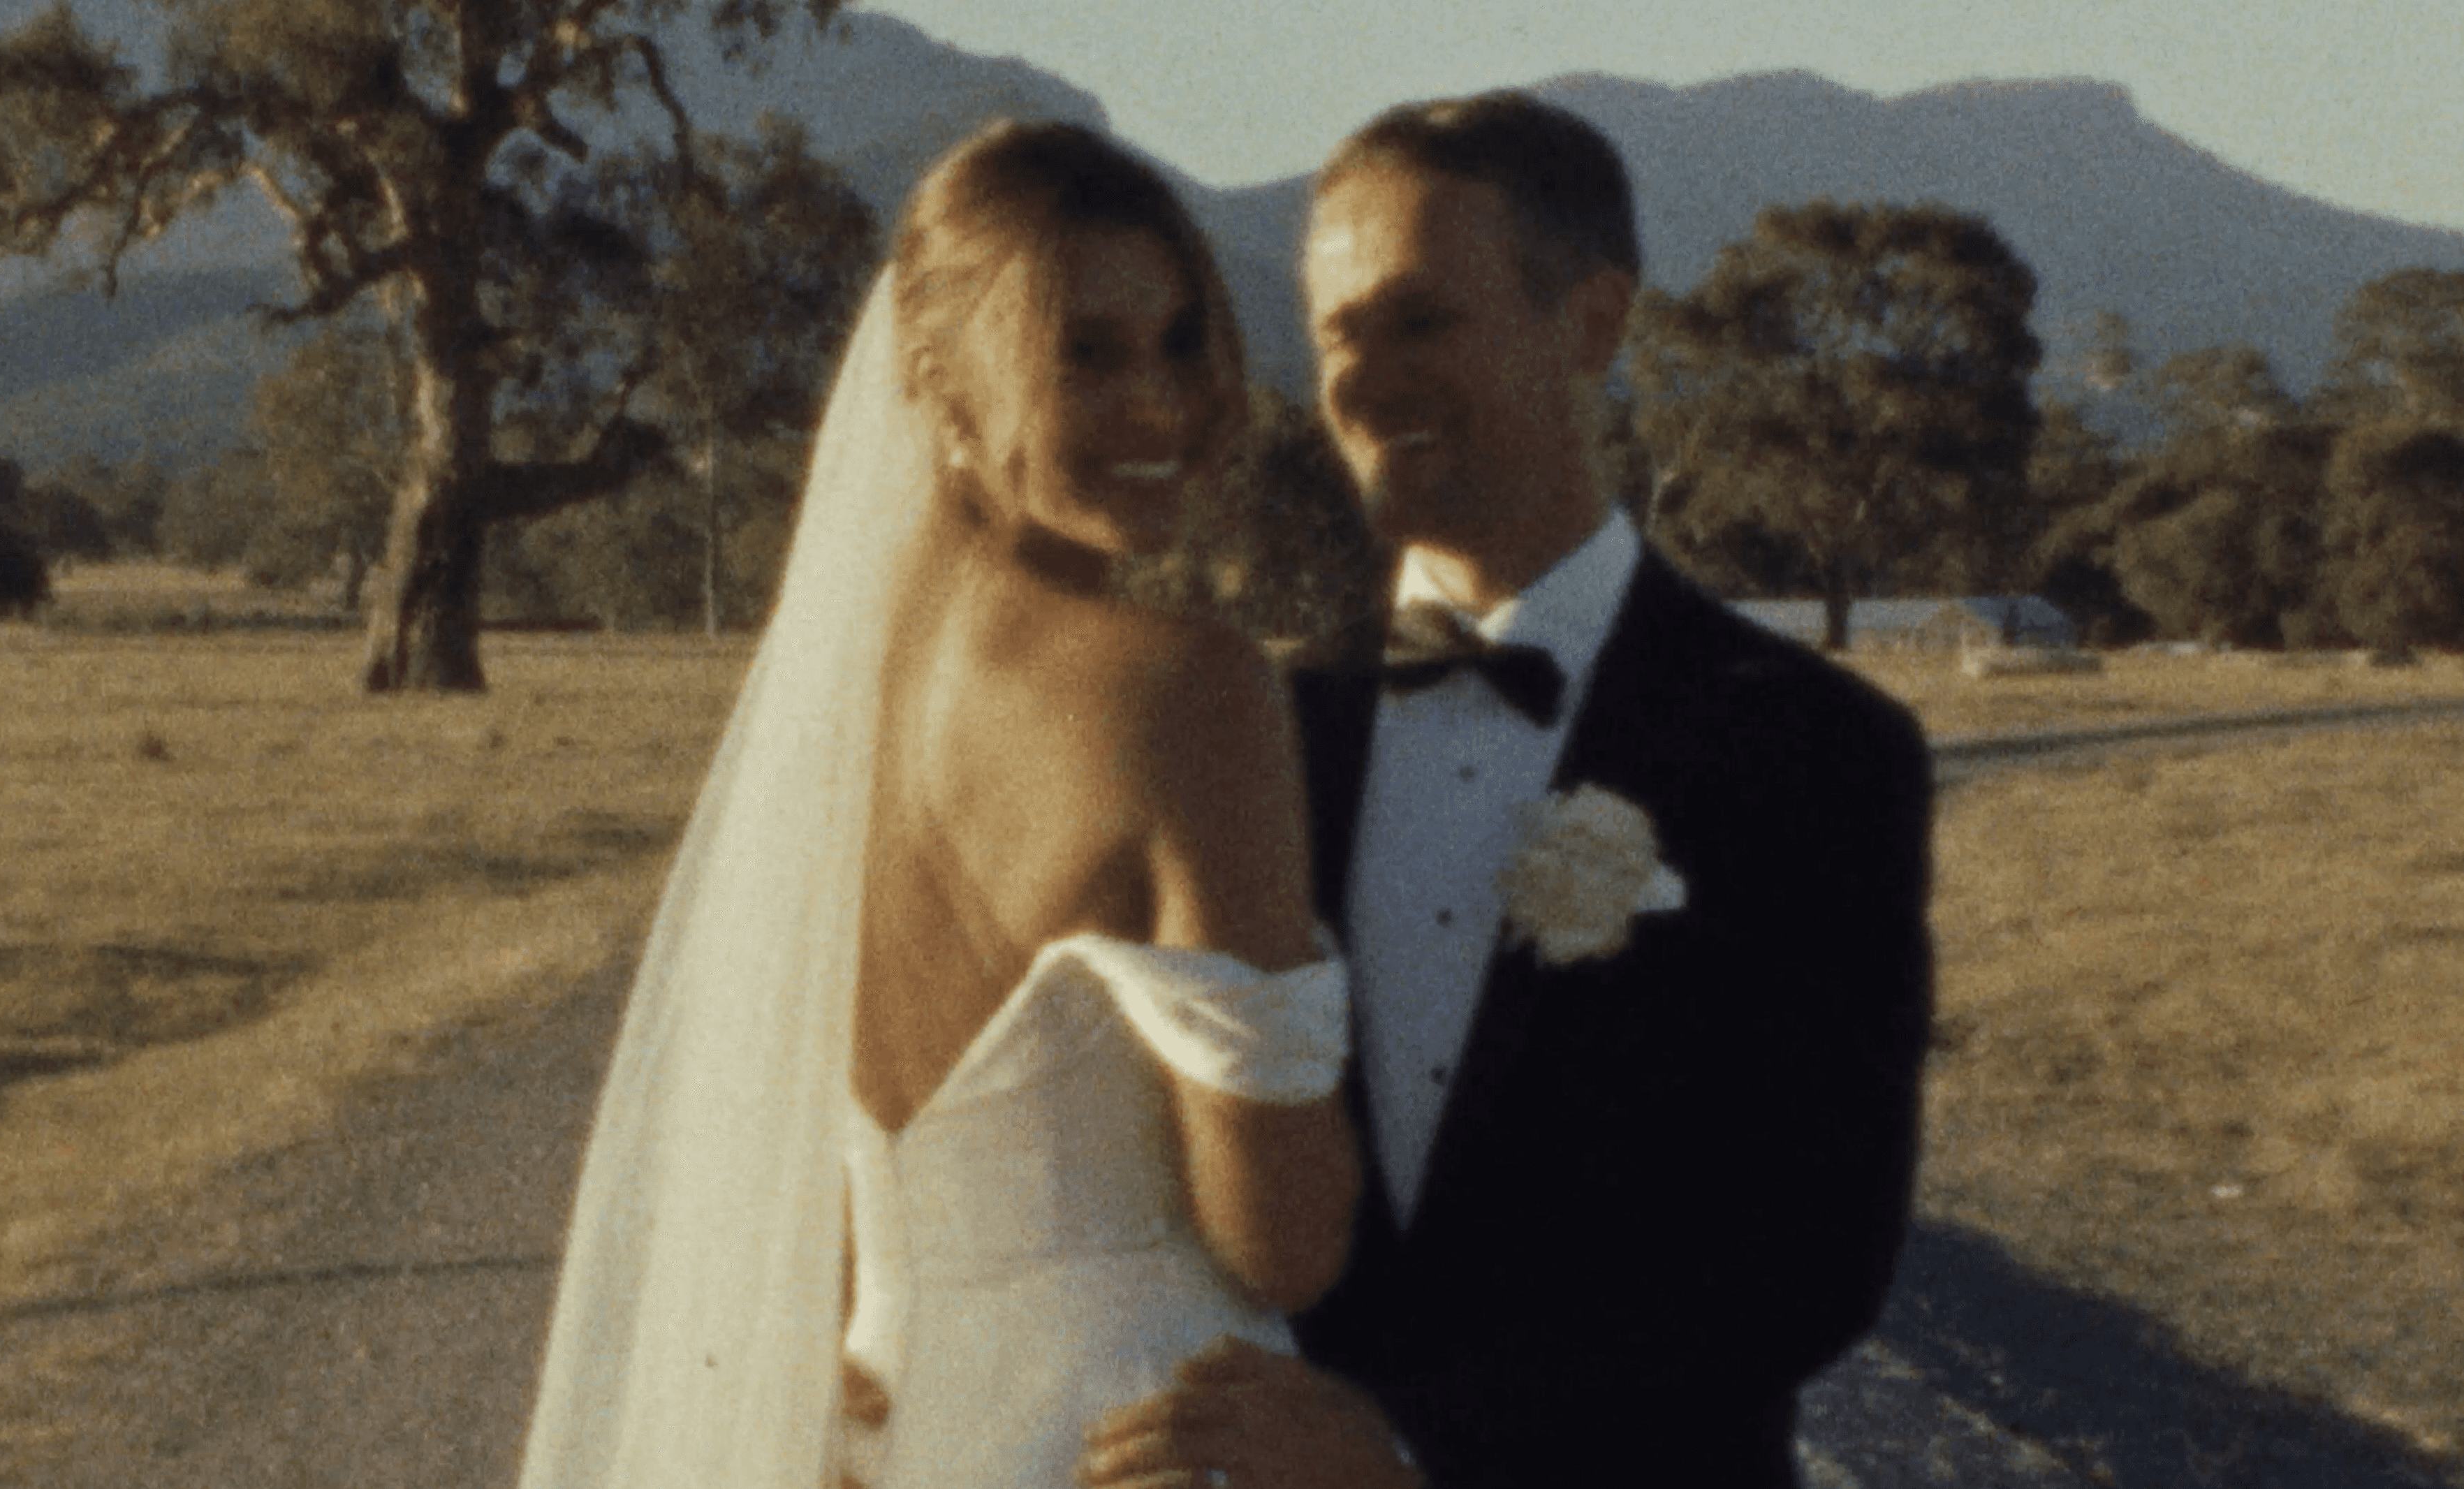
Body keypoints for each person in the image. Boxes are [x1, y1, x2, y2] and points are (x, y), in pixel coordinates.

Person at [1079, 93, 1935, 1489]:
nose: (1362, 383)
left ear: (1590, 323)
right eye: (1337, 333)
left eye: (1419, 322)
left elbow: (1809, 1252)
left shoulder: (1812, 748)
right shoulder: (1257, 738)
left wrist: (1417, 1447)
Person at [511, 121, 1362, 1489]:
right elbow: (1281, 1239)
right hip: (1145, 1428)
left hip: (886, 1430)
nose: (1160, 404)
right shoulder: (1183, 689)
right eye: (1086, 355)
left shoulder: (828, 697)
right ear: (939, 390)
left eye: (1177, 341)